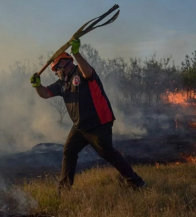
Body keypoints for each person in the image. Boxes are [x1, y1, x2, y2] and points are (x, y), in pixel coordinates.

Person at [30, 38, 146, 190]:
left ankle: (137, 183)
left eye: (56, 69)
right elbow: (45, 93)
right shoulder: (62, 83)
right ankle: (64, 189)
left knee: (108, 153)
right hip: (80, 127)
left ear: (64, 63)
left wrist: (76, 53)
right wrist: (37, 86)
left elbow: (88, 72)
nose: (56, 73)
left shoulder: (81, 71)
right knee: (69, 151)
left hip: (99, 123)